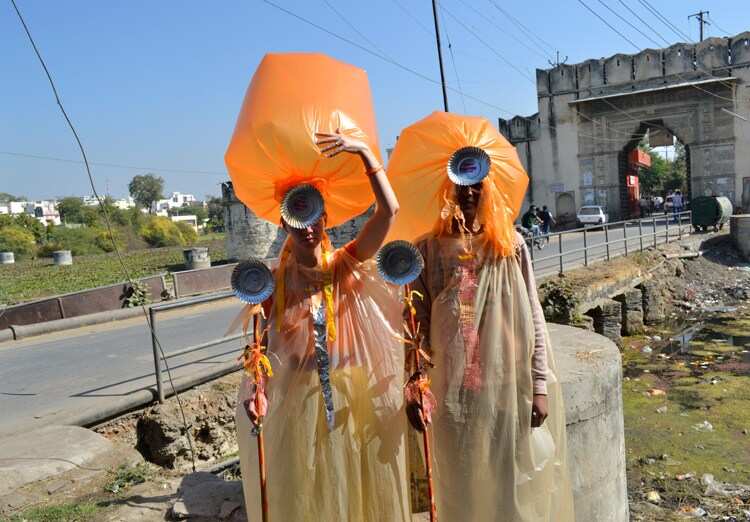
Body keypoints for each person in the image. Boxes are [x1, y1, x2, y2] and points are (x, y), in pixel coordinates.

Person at [234, 130, 411, 521]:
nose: (308, 228)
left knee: (350, 489)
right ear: (285, 225)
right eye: (298, 220)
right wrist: (256, 388)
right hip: (295, 401)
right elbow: (261, 346)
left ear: (325, 219)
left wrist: (365, 154)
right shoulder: (274, 283)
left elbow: (389, 212)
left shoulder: (345, 265)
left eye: (314, 217)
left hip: (349, 398)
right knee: (306, 494)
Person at [410, 179, 575, 521]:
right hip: (452, 393)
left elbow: (532, 315)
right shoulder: (427, 250)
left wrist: (539, 386)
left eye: (476, 185)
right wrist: (416, 384)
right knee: (458, 488)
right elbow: (415, 326)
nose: (468, 193)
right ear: (447, 191)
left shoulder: (509, 245)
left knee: (507, 488)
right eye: (459, 185)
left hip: (504, 387)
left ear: (489, 191)